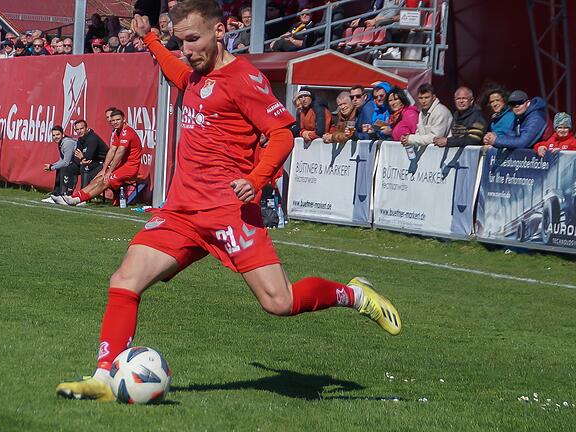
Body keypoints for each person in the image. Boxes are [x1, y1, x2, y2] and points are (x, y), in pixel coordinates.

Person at [55, 0, 401, 402]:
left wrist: (255, 179)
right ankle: (102, 378)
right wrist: (150, 38)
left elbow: (283, 134)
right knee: (124, 281)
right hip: (182, 212)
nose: (186, 49)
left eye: (193, 39)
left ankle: (355, 294)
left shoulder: (244, 79)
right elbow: (177, 72)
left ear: (219, 33)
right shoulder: (195, 76)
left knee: (279, 302)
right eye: (180, 41)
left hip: (230, 213)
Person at [63, 109, 142, 206]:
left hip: (130, 167)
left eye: (117, 120)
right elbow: (112, 150)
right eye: (112, 120)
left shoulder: (127, 132)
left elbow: (120, 152)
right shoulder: (118, 132)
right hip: (121, 166)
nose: (114, 122)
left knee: (105, 180)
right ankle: (74, 197)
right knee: (98, 179)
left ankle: (79, 200)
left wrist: (109, 171)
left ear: (124, 119)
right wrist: (104, 169)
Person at [483, 90, 547, 150]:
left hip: (543, 158)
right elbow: (511, 136)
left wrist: (496, 141)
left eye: (520, 102)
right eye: (513, 104)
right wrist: (492, 138)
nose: (516, 106)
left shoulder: (536, 117)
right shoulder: (519, 116)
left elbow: (523, 143)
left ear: (528, 103)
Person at [42, 126, 78, 204]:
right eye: (54, 135)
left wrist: (52, 167)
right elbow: (62, 160)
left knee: (64, 168)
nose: (55, 137)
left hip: (82, 164)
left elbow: (66, 162)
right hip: (75, 164)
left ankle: (63, 195)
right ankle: (56, 195)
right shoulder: (61, 143)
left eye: (58, 134)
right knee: (60, 168)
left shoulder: (67, 143)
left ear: (63, 134)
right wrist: (52, 165)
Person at [72, 119, 109, 188]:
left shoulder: (92, 138)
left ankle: (82, 195)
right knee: (68, 168)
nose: (79, 131)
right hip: (92, 162)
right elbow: (76, 156)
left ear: (86, 128)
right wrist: (81, 161)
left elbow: (88, 157)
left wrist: (82, 158)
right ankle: (64, 194)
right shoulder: (80, 139)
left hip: (104, 163)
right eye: (77, 130)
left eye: (81, 128)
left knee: (85, 168)